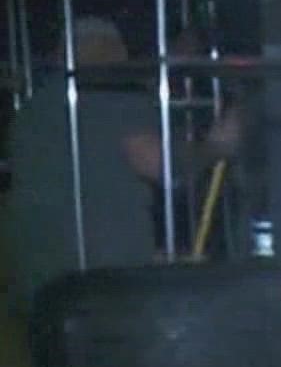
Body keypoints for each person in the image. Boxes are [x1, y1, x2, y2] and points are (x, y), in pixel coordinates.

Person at [6, 17, 239, 317]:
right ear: (116, 51)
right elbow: (158, 163)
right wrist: (215, 146)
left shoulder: (31, 112)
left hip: (36, 279)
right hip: (102, 285)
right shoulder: (112, 93)